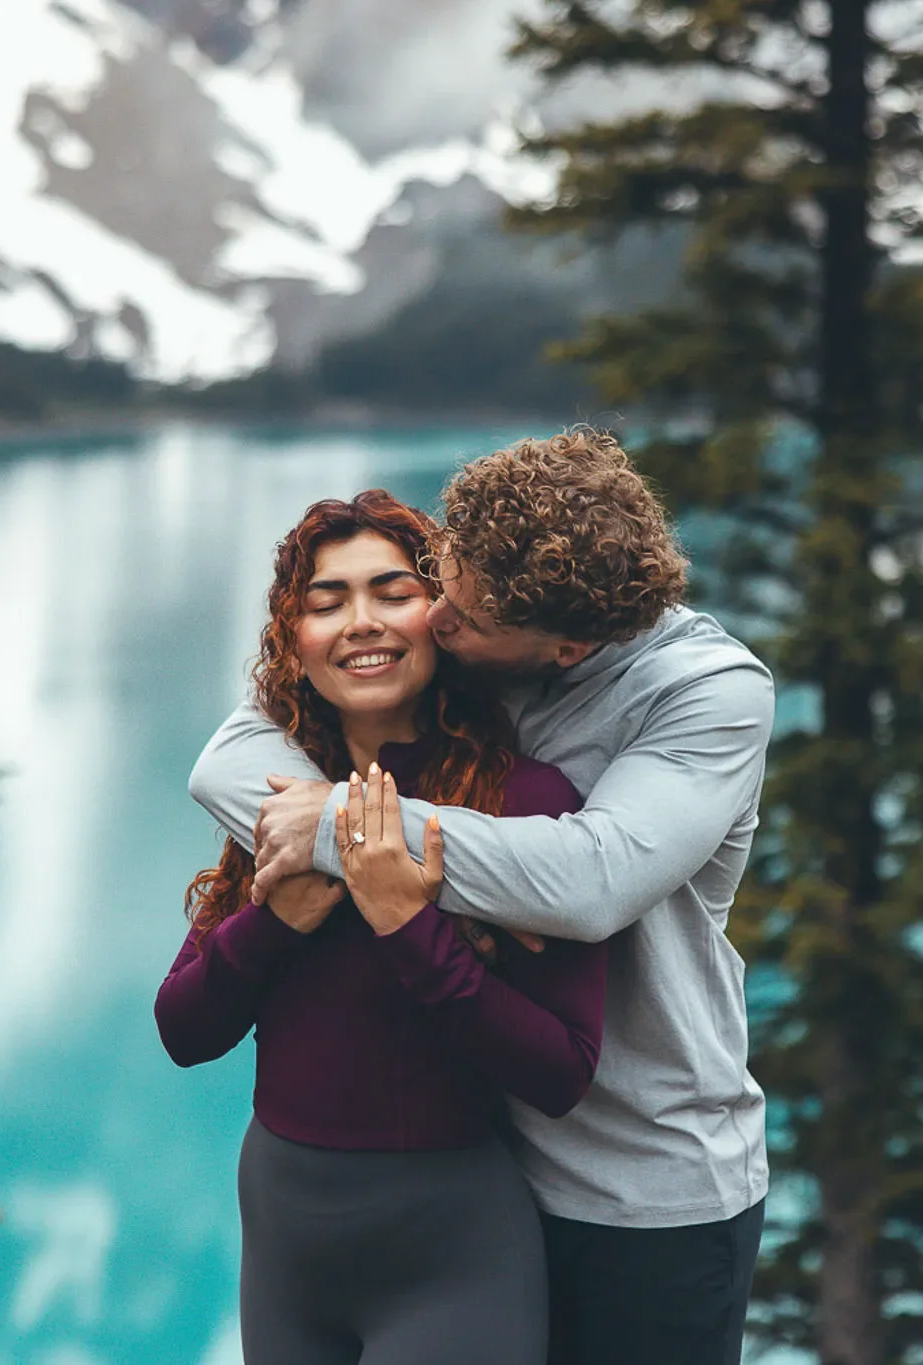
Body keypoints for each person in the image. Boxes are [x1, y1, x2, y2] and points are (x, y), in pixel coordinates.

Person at [189, 428, 776, 1365]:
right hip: (486, 1176)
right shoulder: (478, 630)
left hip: (645, 1186)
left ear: (566, 647)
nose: (434, 622)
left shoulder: (706, 692)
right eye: (441, 579)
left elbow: (592, 881)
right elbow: (230, 752)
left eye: (458, 614)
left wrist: (343, 829)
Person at [156, 490, 607, 1365]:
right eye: (326, 604)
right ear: (294, 639)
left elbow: (561, 1071)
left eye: (393, 592)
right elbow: (183, 1028)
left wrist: (407, 923)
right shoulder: (281, 794)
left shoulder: (527, 802)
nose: (361, 623)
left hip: (453, 1256)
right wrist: (273, 921)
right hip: (286, 1247)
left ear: (442, 614)